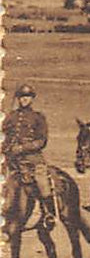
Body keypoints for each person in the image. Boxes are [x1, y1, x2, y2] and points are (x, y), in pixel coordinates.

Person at [4, 84, 56, 229]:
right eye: (21, 97)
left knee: (42, 182)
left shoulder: (38, 117)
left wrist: (22, 148)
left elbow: (42, 140)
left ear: (32, 99)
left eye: (27, 97)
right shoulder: (10, 117)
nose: (24, 100)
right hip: (12, 159)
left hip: (32, 159)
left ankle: (48, 214)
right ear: (18, 99)